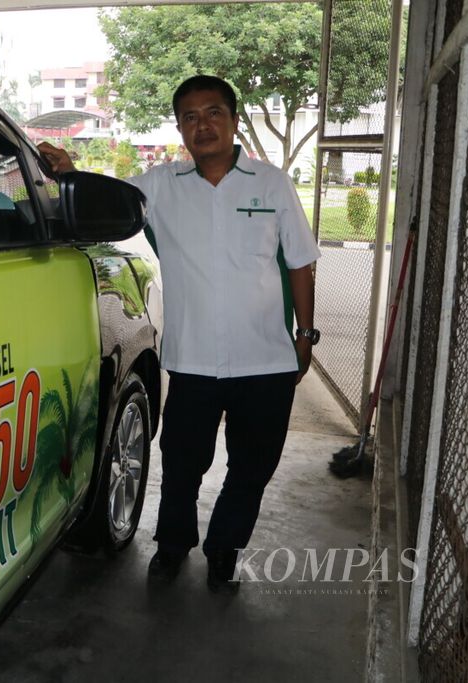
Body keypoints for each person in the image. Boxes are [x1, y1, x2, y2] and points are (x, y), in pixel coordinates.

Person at [39, 75, 320, 594]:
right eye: (190, 117)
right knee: (183, 464)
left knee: (251, 468)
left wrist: (305, 335)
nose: (202, 125)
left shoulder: (271, 183)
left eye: (213, 113)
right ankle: (172, 546)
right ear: (180, 128)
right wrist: (70, 172)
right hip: (192, 361)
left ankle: (223, 553)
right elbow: (108, 202)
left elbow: (301, 264)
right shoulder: (159, 186)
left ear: (234, 120)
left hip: (267, 361)